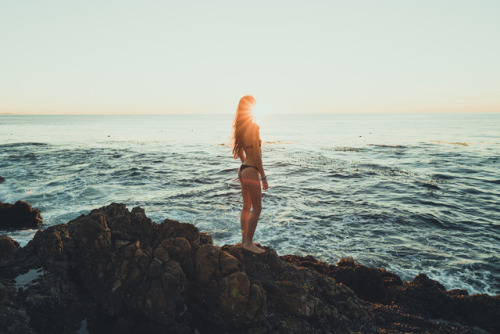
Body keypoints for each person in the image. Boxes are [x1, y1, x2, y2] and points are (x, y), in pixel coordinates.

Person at [232, 95, 268, 254]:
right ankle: (248, 242)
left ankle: (244, 239)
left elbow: (240, 152)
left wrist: (246, 164)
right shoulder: (254, 128)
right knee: (257, 207)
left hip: (242, 169)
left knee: (246, 207)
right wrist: (263, 176)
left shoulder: (240, 128)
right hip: (251, 170)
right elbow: (258, 156)